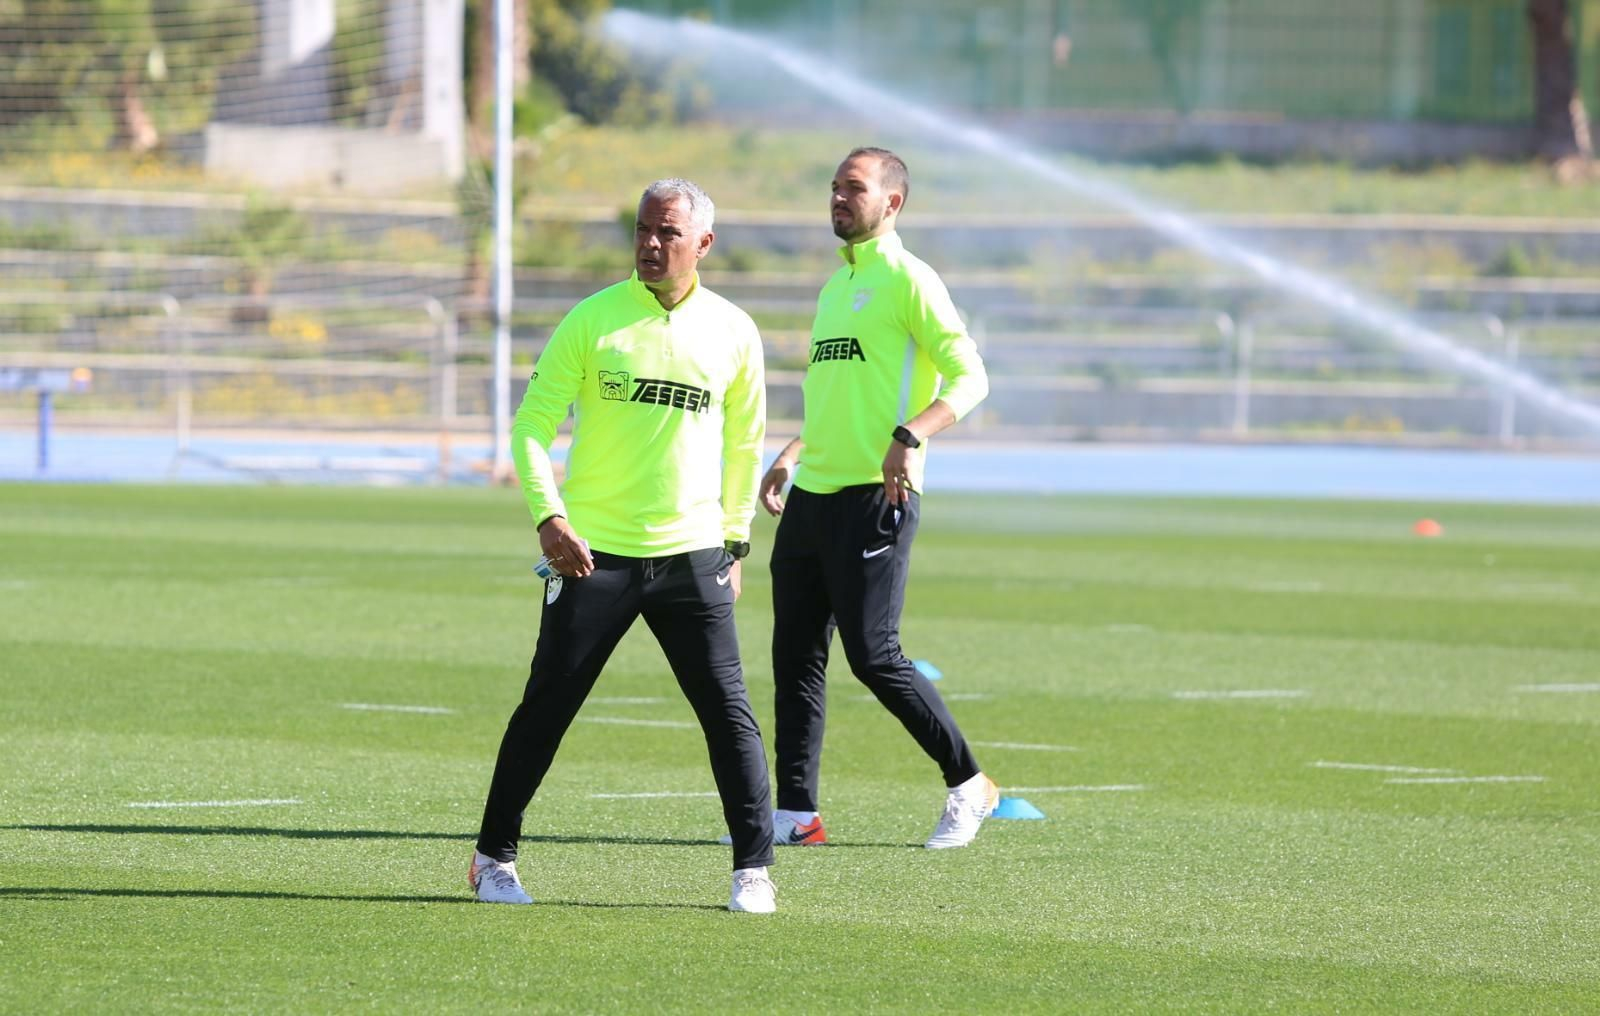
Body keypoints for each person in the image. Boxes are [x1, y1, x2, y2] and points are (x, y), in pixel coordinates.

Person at [470, 178, 777, 913]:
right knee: (546, 708)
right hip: (592, 556)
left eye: (668, 233)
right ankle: (492, 860)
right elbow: (531, 430)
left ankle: (754, 870)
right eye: (643, 228)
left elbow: (746, 446)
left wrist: (734, 540)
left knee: (729, 714)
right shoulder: (593, 320)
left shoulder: (735, 331)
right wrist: (550, 518)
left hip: (694, 555)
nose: (650, 243)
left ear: (703, 244)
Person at [759, 147, 996, 850]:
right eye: (833, 186)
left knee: (874, 654)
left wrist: (912, 435)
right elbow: (842, 395)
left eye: (853, 188)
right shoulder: (837, 288)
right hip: (813, 494)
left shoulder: (910, 279)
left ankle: (970, 784)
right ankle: (796, 815)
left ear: (892, 202)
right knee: (795, 656)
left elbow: (971, 375)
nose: (838, 197)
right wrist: (793, 453)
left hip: (877, 494)